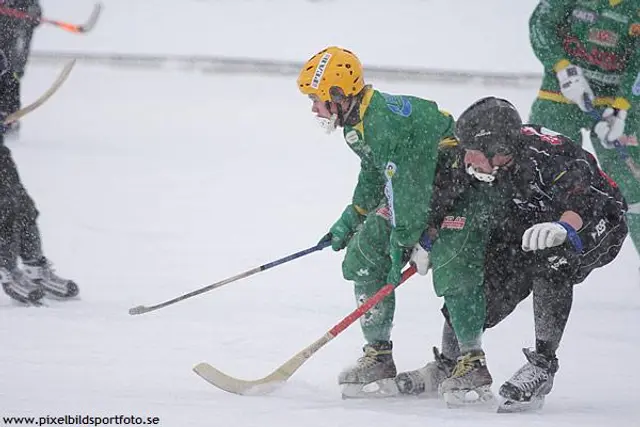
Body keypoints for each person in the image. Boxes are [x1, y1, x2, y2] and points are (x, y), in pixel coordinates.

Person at [395, 97, 628, 412]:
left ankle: (543, 367)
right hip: (530, 223)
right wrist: (429, 237)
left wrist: (564, 227)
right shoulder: (478, 161)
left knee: (551, 258)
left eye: (474, 153)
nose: (468, 159)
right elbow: (451, 195)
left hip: (594, 221)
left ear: (499, 150)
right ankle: (454, 362)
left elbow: (588, 197)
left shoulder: (549, 155)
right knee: (482, 272)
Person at [296, 46, 456, 397]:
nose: (313, 108)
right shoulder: (356, 124)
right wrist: (352, 216)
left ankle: (464, 358)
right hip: (413, 184)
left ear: (339, 96)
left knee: (395, 257)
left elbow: (409, 184)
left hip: (447, 182)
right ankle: (378, 354)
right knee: (363, 257)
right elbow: (374, 173)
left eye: (317, 99)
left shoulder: (383, 124)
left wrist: (405, 240)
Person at [528, 0, 640, 261]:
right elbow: (540, 24)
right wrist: (562, 67)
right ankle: (542, 260)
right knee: (543, 173)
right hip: (559, 94)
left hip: (615, 101)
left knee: (634, 186)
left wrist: (621, 108)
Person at [0, 0, 42, 138]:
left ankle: (9, 116)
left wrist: (33, 14)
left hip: (15, 41)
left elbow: (34, 12)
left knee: (12, 76)